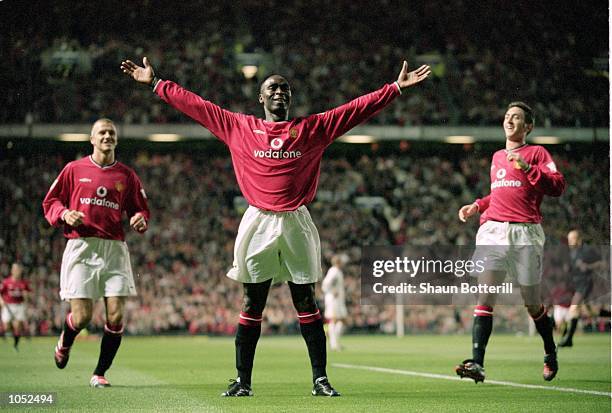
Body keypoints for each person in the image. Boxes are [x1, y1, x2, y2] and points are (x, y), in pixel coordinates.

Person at [121, 56, 430, 397]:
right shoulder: (238, 127)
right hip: (258, 220)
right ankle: (243, 381)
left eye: (285, 88)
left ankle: (320, 380)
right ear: (261, 98)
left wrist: (395, 88)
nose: (279, 92)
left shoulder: (312, 129)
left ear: (290, 98)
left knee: (306, 300)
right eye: (272, 87)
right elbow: (196, 105)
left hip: (296, 219)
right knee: (252, 302)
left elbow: (355, 109)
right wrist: (155, 83)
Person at [454, 102, 566, 383]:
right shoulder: (497, 157)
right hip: (493, 231)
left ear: (528, 126)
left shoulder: (536, 153)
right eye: (507, 116)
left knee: (532, 303)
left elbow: (558, 186)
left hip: (524, 234)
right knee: (485, 297)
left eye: (516, 117)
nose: (509, 120)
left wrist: (529, 168)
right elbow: (501, 193)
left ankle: (550, 350)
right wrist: (478, 205)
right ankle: (477, 363)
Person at [42, 118, 150, 388]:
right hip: (82, 246)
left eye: (111, 133)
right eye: (101, 132)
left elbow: (141, 208)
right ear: (92, 139)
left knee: (115, 315)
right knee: (82, 317)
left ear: (116, 139)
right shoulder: (74, 169)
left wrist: (139, 218)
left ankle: (100, 373)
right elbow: (50, 201)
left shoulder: (126, 175)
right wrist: (65, 213)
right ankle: (65, 342)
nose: (107, 136)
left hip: (114, 248)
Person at [558, 229, 602, 347]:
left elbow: (601, 263)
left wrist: (587, 266)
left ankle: (568, 339)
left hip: (585, 283)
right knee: (577, 311)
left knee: (574, 309)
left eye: (572, 239)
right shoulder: (571, 252)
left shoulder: (587, 250)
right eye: (568, 240)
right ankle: (568, 338)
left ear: (579, 239)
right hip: (575, 284)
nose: (570, 242)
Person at [0, 262, 31, 350]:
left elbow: (28, 294)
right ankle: (4, 333)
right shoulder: (6, 282)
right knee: (6, 326)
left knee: (18, 326)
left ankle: (15, 345)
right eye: (15, 269)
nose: (17, 271)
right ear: (12, 271)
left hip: (19, 306)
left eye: (18, 270)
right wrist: (1, 301)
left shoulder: (24, 283)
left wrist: (26, 297)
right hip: (8, 305)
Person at [322, 254, 348, 351]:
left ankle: (335, 341)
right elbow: (325, 284)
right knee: (334, 320)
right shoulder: (333, 271)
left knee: (342, 320)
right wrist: (332, 291)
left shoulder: (337, 271)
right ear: (338, 262)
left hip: (339, 300)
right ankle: (334, 344)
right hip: (333, 299)